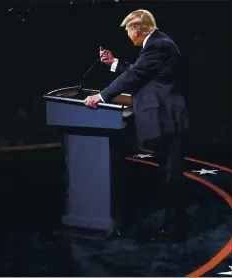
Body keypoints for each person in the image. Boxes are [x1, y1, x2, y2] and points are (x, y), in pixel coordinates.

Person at [84, 10, 190, 243]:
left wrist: (101, 96)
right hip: (168, 118)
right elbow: (140, 70)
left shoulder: (158, 45)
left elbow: (135, 76)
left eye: (129, 31)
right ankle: (174, 226)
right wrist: (113, 63)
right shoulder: (159, 42)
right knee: (169, 176)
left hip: (167, 119)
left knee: (171, 177)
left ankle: (175, 230)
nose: (129, 36)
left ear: (137, 30)